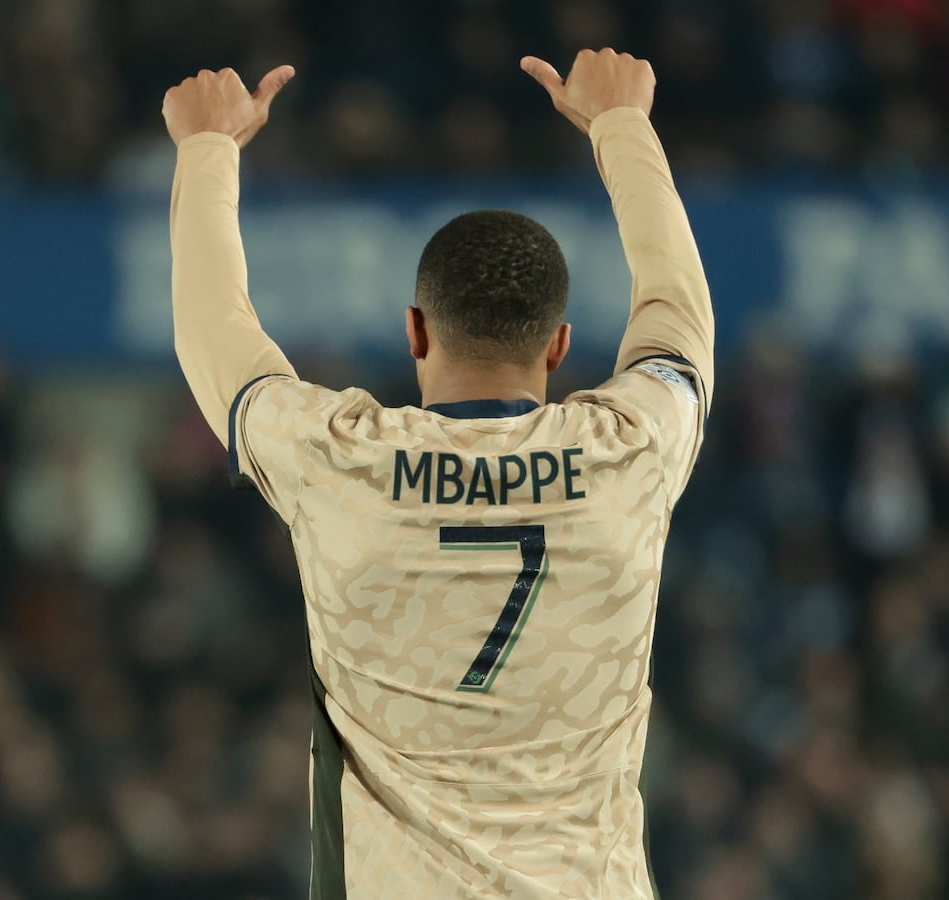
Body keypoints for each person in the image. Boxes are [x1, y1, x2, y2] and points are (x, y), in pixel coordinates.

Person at [163, 49, 712, 899]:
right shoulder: (628, 451)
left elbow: (212, 330)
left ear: (415, 331)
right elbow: (677, 316)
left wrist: (208, 149)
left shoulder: (341, 459)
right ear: (559, 346)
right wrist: (623, 128)